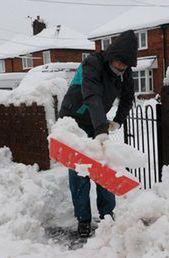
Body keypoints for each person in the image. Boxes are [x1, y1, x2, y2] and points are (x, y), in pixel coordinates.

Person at [59, 30, 138, 237]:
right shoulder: (93, 63)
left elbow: (128, 98)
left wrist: (118, 122)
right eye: (118, 63)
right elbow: (92, 96)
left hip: (97, 119)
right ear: (111, 56)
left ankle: (107, 215)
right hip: (74, 119)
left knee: (104, 166)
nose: (121, 68)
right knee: (80, 169)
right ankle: (83, 219)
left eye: (125, 65)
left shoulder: (125, 71)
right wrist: (101, 129)